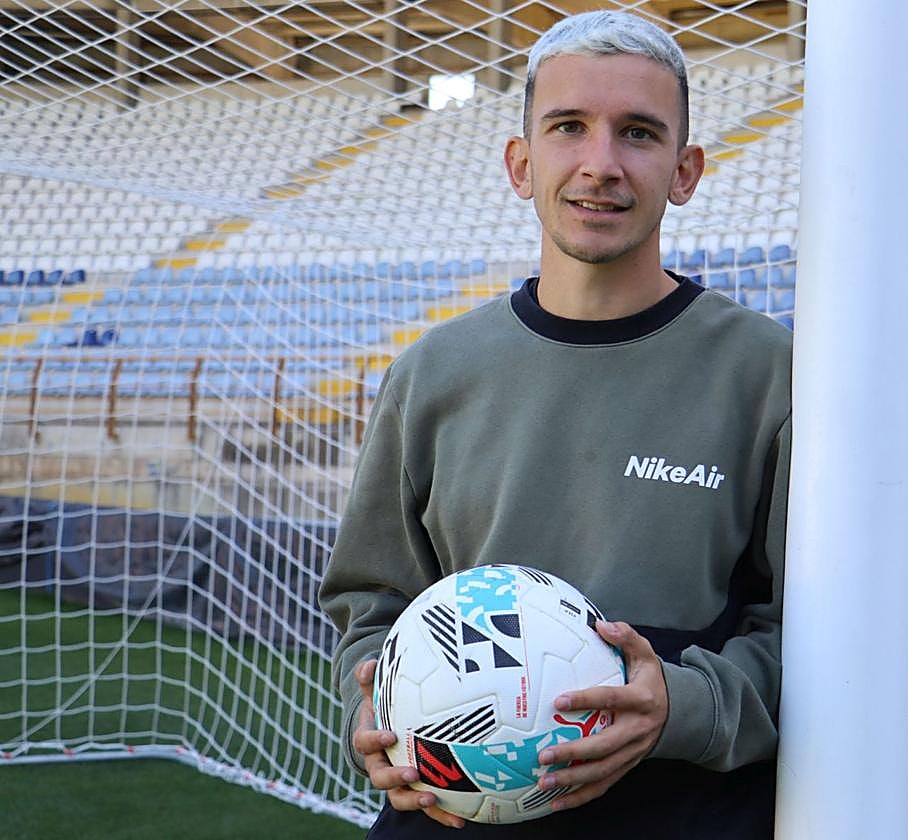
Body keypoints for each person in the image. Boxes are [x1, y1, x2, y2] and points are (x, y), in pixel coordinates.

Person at [319, 10, 791, 838]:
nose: (600, 164)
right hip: (457, 813)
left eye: (638, 133)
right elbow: (373, 601)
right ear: (521, 161)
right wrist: (375, 715)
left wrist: (680, 706)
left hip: (687, 813)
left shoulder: (770, 375)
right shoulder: (434, 373)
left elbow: (815, 632)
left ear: (685, 172)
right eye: (569, 127)